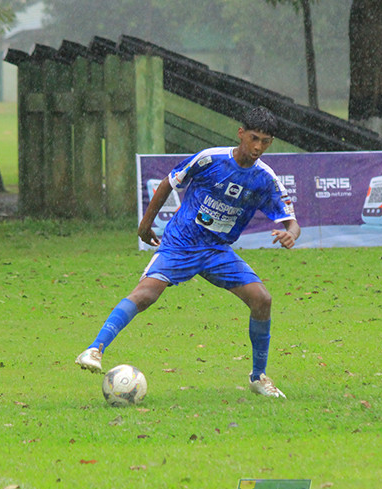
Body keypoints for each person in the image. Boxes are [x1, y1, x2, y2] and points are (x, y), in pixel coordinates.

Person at [75, 106, 300, 398]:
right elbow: (170, 182)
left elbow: (291, 221)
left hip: (218, 250)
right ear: (241, 134)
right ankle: (94, 350)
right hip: (182, 242)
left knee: (262, 300)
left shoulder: (265, 178)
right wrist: (145, 224)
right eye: (254, 138)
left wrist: (289, 234)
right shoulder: (210, 160)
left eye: (266, 142)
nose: (258, 147)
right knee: (146, 294)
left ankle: (258, 377)